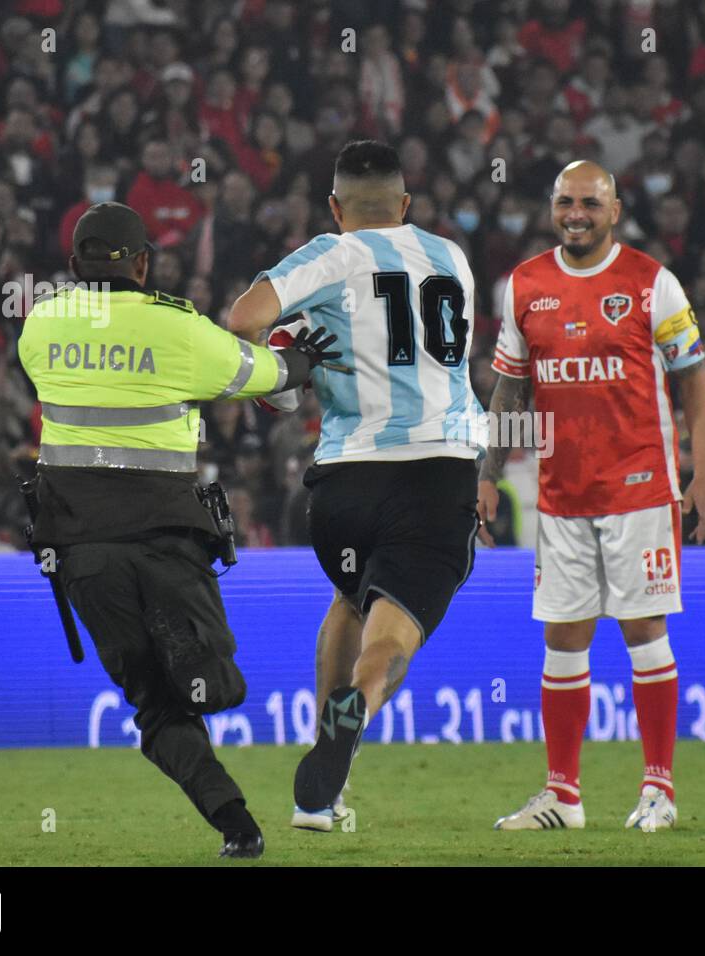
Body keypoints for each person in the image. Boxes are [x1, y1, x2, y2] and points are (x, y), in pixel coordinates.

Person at [17, 201, 340, 859]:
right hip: (166, 539)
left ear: (75, 263)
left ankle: (236, 824)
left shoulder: (41, 324)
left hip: (84, 554)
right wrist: (303, 358)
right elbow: (270, 376)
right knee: (210, 677)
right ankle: (197, 662)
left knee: (155, 709)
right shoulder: (180, 329)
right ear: (143, 262)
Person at [227, 140, 488, 832]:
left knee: (348, 601)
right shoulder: (451, 260)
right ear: (405, 206)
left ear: (336, 208)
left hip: (344, 483)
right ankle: (358, 709)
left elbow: (243, 320)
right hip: (438, 470)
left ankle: (322, 787)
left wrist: (280, 378)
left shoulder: (332, 254)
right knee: (391, 636)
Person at [480, 160, 705, 832]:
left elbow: (696, 386)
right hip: (562, 494)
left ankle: (659, 790)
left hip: (641, 488)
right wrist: (486, 473)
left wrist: (704, 474)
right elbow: (510, 388)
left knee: (644, 628)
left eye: (590, 202)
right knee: (563, 637)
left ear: (615, 211)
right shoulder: (524, 284)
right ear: (551, 207)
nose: (576, 213)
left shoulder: (652, 283)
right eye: (565, 202)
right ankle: (564, 796)